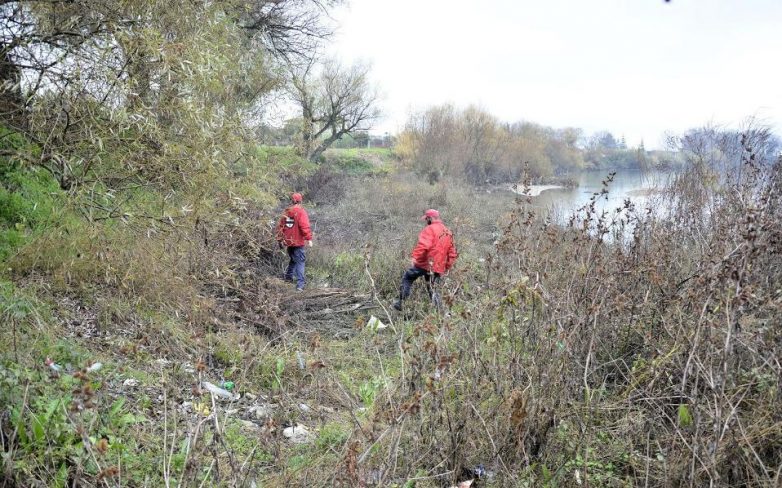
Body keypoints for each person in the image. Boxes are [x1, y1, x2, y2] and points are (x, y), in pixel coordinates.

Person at [393, 209, 458, 311]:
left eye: (426, 219)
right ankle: (439, 313)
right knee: (433, 289)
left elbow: (424, 245)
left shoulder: (430, 229)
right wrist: (447, 267)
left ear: (430, 218)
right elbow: (452, 253)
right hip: (438, 267)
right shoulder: (448, 232)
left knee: (408, 277)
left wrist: (415, 257)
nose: (426, 221)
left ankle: (400, 303)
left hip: (425, 264)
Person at [276, 192, 313, 291]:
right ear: (300, 201)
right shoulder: (301, 212)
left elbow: (280, 227)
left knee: (293, 259)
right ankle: (300, 285)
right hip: (298, 242)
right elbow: (304, 226)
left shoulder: (286, 212)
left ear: (292, 200)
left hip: (288, 242)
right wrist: (309, 239)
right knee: (300, 261)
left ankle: (288, 279)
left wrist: (280, 240)